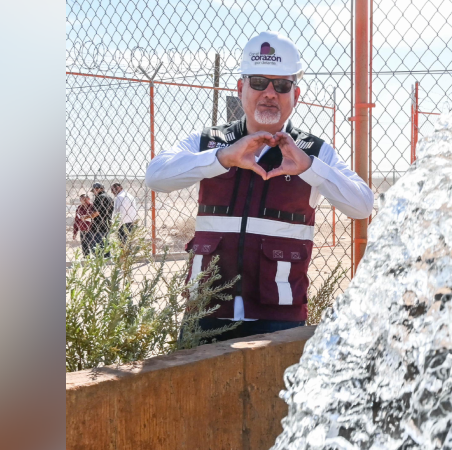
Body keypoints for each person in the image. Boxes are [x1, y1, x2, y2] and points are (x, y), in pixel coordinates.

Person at [146, 31, 373, 338]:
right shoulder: (210, 142)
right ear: (241, 88)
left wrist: (309, 168)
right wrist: (222, 158)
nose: (269, 93)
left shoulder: (314, 151)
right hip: (206, 312)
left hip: (279, 319)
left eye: (281, 85)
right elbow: (156, 176)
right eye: (258, 82)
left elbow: (362, 205)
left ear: (296, 94)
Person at [89, 183, 115, 254]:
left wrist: (86, 217)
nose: (94, 192)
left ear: (98, 189)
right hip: (106, 225)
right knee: (105, 247)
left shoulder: (99, 197)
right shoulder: (109, 197)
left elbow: (96, 212)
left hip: (98, 226)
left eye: (94, 190)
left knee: (97, 249)